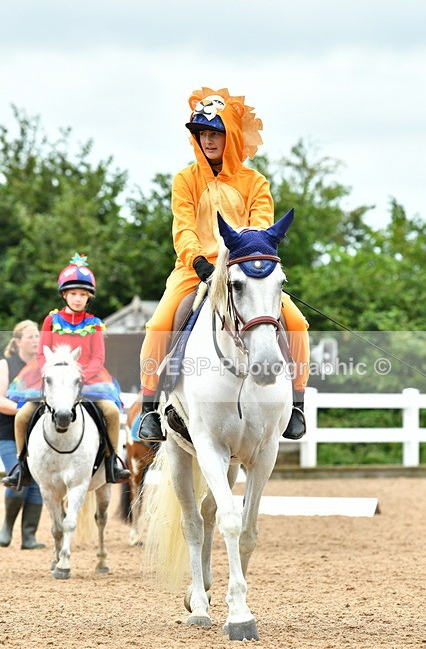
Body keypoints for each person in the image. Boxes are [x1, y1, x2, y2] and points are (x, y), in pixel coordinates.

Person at [138, 87, 310, 442]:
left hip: (245, 268)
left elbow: (261, 227)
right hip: (193, 269)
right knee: (157, 325)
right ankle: (150, 409)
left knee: (297, 323)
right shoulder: (185, 180)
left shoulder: (255, 182)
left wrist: (238, 261)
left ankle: (296, 404)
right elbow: (183, 227)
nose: (208, 140)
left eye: (215, 133)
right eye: (202, 133)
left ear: (230, 136)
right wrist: (199, 261)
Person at [2, 254, 130, 490]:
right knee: (22, 416)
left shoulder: (94, 323)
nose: (78, 298)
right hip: (52, 378)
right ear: (64, 295)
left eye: (83, 294)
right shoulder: (51, 319)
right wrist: (51, 373)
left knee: (111, 412)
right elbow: (42, 354)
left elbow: (98, 357)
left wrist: (79, 377)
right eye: (73, 294)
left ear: (88, 296)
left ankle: (112, 461)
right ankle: (22, 466)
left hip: (88, 379)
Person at [0, 321, 46, 548]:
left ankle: (29, 536)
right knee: (18, 479)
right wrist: (25, 410)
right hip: (8, 434)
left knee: (37, 484)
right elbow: (0, 400)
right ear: (17, 341)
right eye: (30, 336)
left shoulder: (44, 366)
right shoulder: (6, 365)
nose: (36, 340)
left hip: (39, 437)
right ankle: (6, 527)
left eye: (37, 336)